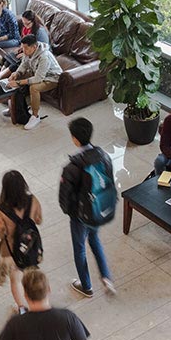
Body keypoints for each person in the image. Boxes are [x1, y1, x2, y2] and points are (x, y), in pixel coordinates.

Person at [59, 118, 115, 298]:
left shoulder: (72, 166)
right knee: (94, 239)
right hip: (97, 209)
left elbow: (64, 195)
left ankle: (86, 286)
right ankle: (106, 277)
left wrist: (69, 211)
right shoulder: (104, 156)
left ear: (75, 139)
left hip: (80, 215)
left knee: (79, 248)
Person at [0, 170, 43, 312]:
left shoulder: (1, 209)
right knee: (31, 277)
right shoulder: (33, 200)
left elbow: (0, 234)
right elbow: (39, 220)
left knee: (15, 280)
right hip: (31, 247)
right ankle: (37, 302)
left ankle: (22, 308)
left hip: (11, 253)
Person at [7, 34, 62, 129]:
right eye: (22, 47)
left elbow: (38, 79)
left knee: (34, 88)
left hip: (52, 78)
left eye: (25, 48)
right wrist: (17, 73)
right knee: (16, 78)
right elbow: (24, 64)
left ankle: (35, 116)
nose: (23, 50)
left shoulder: (44, 57)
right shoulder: (28, 52)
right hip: (37, 74)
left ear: (34, 47)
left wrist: (18, 83)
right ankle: (15, 107)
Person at [0, 10, 50, 80]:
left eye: (27, 24)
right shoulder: (25, 29)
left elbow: (43, 48)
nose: (25, 26)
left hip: (37, 53)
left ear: (33, 21)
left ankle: (0, 78)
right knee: (10, 56)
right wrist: (21, 48)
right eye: (23, 23)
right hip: (28, 50)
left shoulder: (40, 32)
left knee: (17, 63)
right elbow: (24, 41)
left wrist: (25, 54)